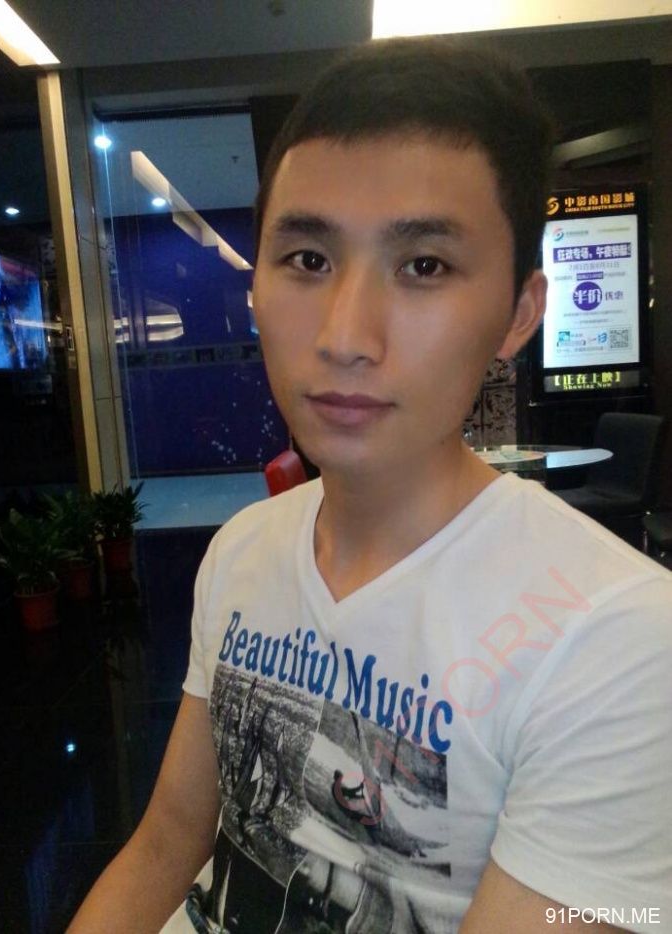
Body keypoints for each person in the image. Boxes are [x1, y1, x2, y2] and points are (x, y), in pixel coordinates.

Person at [69, 37, 672, 934]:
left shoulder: (617, 640)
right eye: (309, 260)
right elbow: (165, 846)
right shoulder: (243, 550)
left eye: (424, 265)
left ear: (519, 314)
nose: (346, 337)